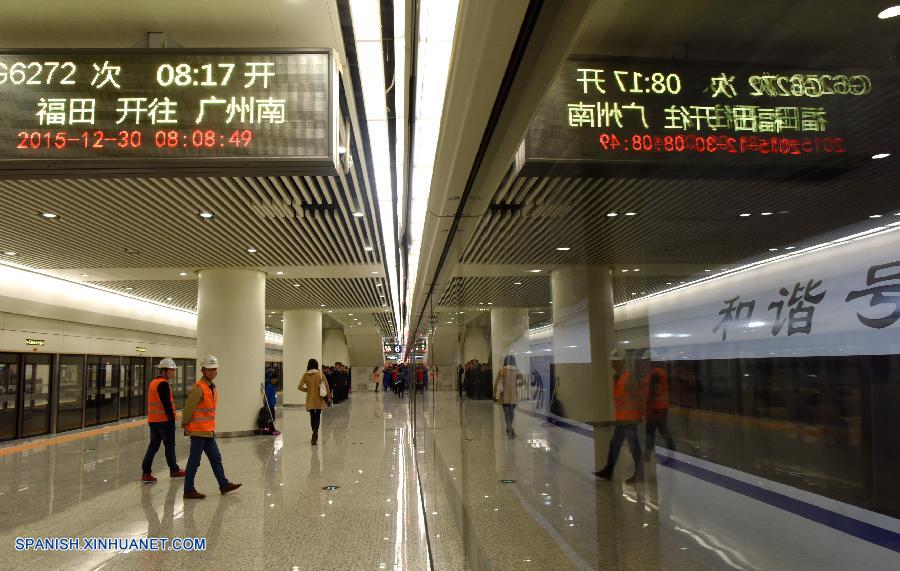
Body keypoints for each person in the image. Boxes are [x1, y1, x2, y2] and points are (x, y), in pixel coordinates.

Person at [181, 355, 242, 499]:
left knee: (216, 458)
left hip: (207, 431)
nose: (213, 372)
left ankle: (223, 484)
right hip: (198, 431)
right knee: (194, 461)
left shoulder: (211, 387)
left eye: (214, 369)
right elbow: (188, 409)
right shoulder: (198, 388)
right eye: (210, 369)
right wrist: (185, 425)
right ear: (203, 370)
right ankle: (188, 490)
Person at [595, 349, 644, 483]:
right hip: (621, 419)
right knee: (614, 446)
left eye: (616, 362)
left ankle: (639, 474)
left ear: (622, 362)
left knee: (634, 448)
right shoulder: (616, 378)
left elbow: (637, 397)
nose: (613, 364)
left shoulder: (628, 378)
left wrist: (640, 415)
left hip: (629, 420)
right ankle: (608, 471)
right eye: (612, 362)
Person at [141, 358, 185, 482]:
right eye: (171, 370)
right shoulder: (163, 384)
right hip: (164, 422)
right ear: (164, 370)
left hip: (154, 421)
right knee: (169, 445)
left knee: (153, 446)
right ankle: (174, 470)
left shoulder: (153, 383)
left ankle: (146, 473)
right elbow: (166, 405)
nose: (173, 373)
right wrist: (172, 421)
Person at [641, 350, 675, 459]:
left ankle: (647, 454)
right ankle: (671, 450)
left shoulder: (654, 374)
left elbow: (652, 391)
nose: (645, 363)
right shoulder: (661, 372)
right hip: (662, 407)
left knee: (651, 432)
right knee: (663, 430)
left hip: (654, 408)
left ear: (650, 360)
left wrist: (648, 408)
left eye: (646, 360)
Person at [298, 358, 332, 445]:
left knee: (312, 415)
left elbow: (299, 386)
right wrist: (328, 397)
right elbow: (327, 386)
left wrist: (308, 390)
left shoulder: (306, 374)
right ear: (316, 365)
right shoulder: (320, 374)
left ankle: (314, 432)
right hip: (319, 399)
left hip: (310, 399)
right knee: (318, 415)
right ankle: (316, 432)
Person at [494, 355, 525, 439]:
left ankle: (509, 429)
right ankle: (509, 429)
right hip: (514, 396)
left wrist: (495, 394)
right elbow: (522, 382)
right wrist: (515, 385)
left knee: (506, 413)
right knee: (512, 413)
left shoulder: (502, 370)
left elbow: (497, 383)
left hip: (504, 396)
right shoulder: (517, 370)